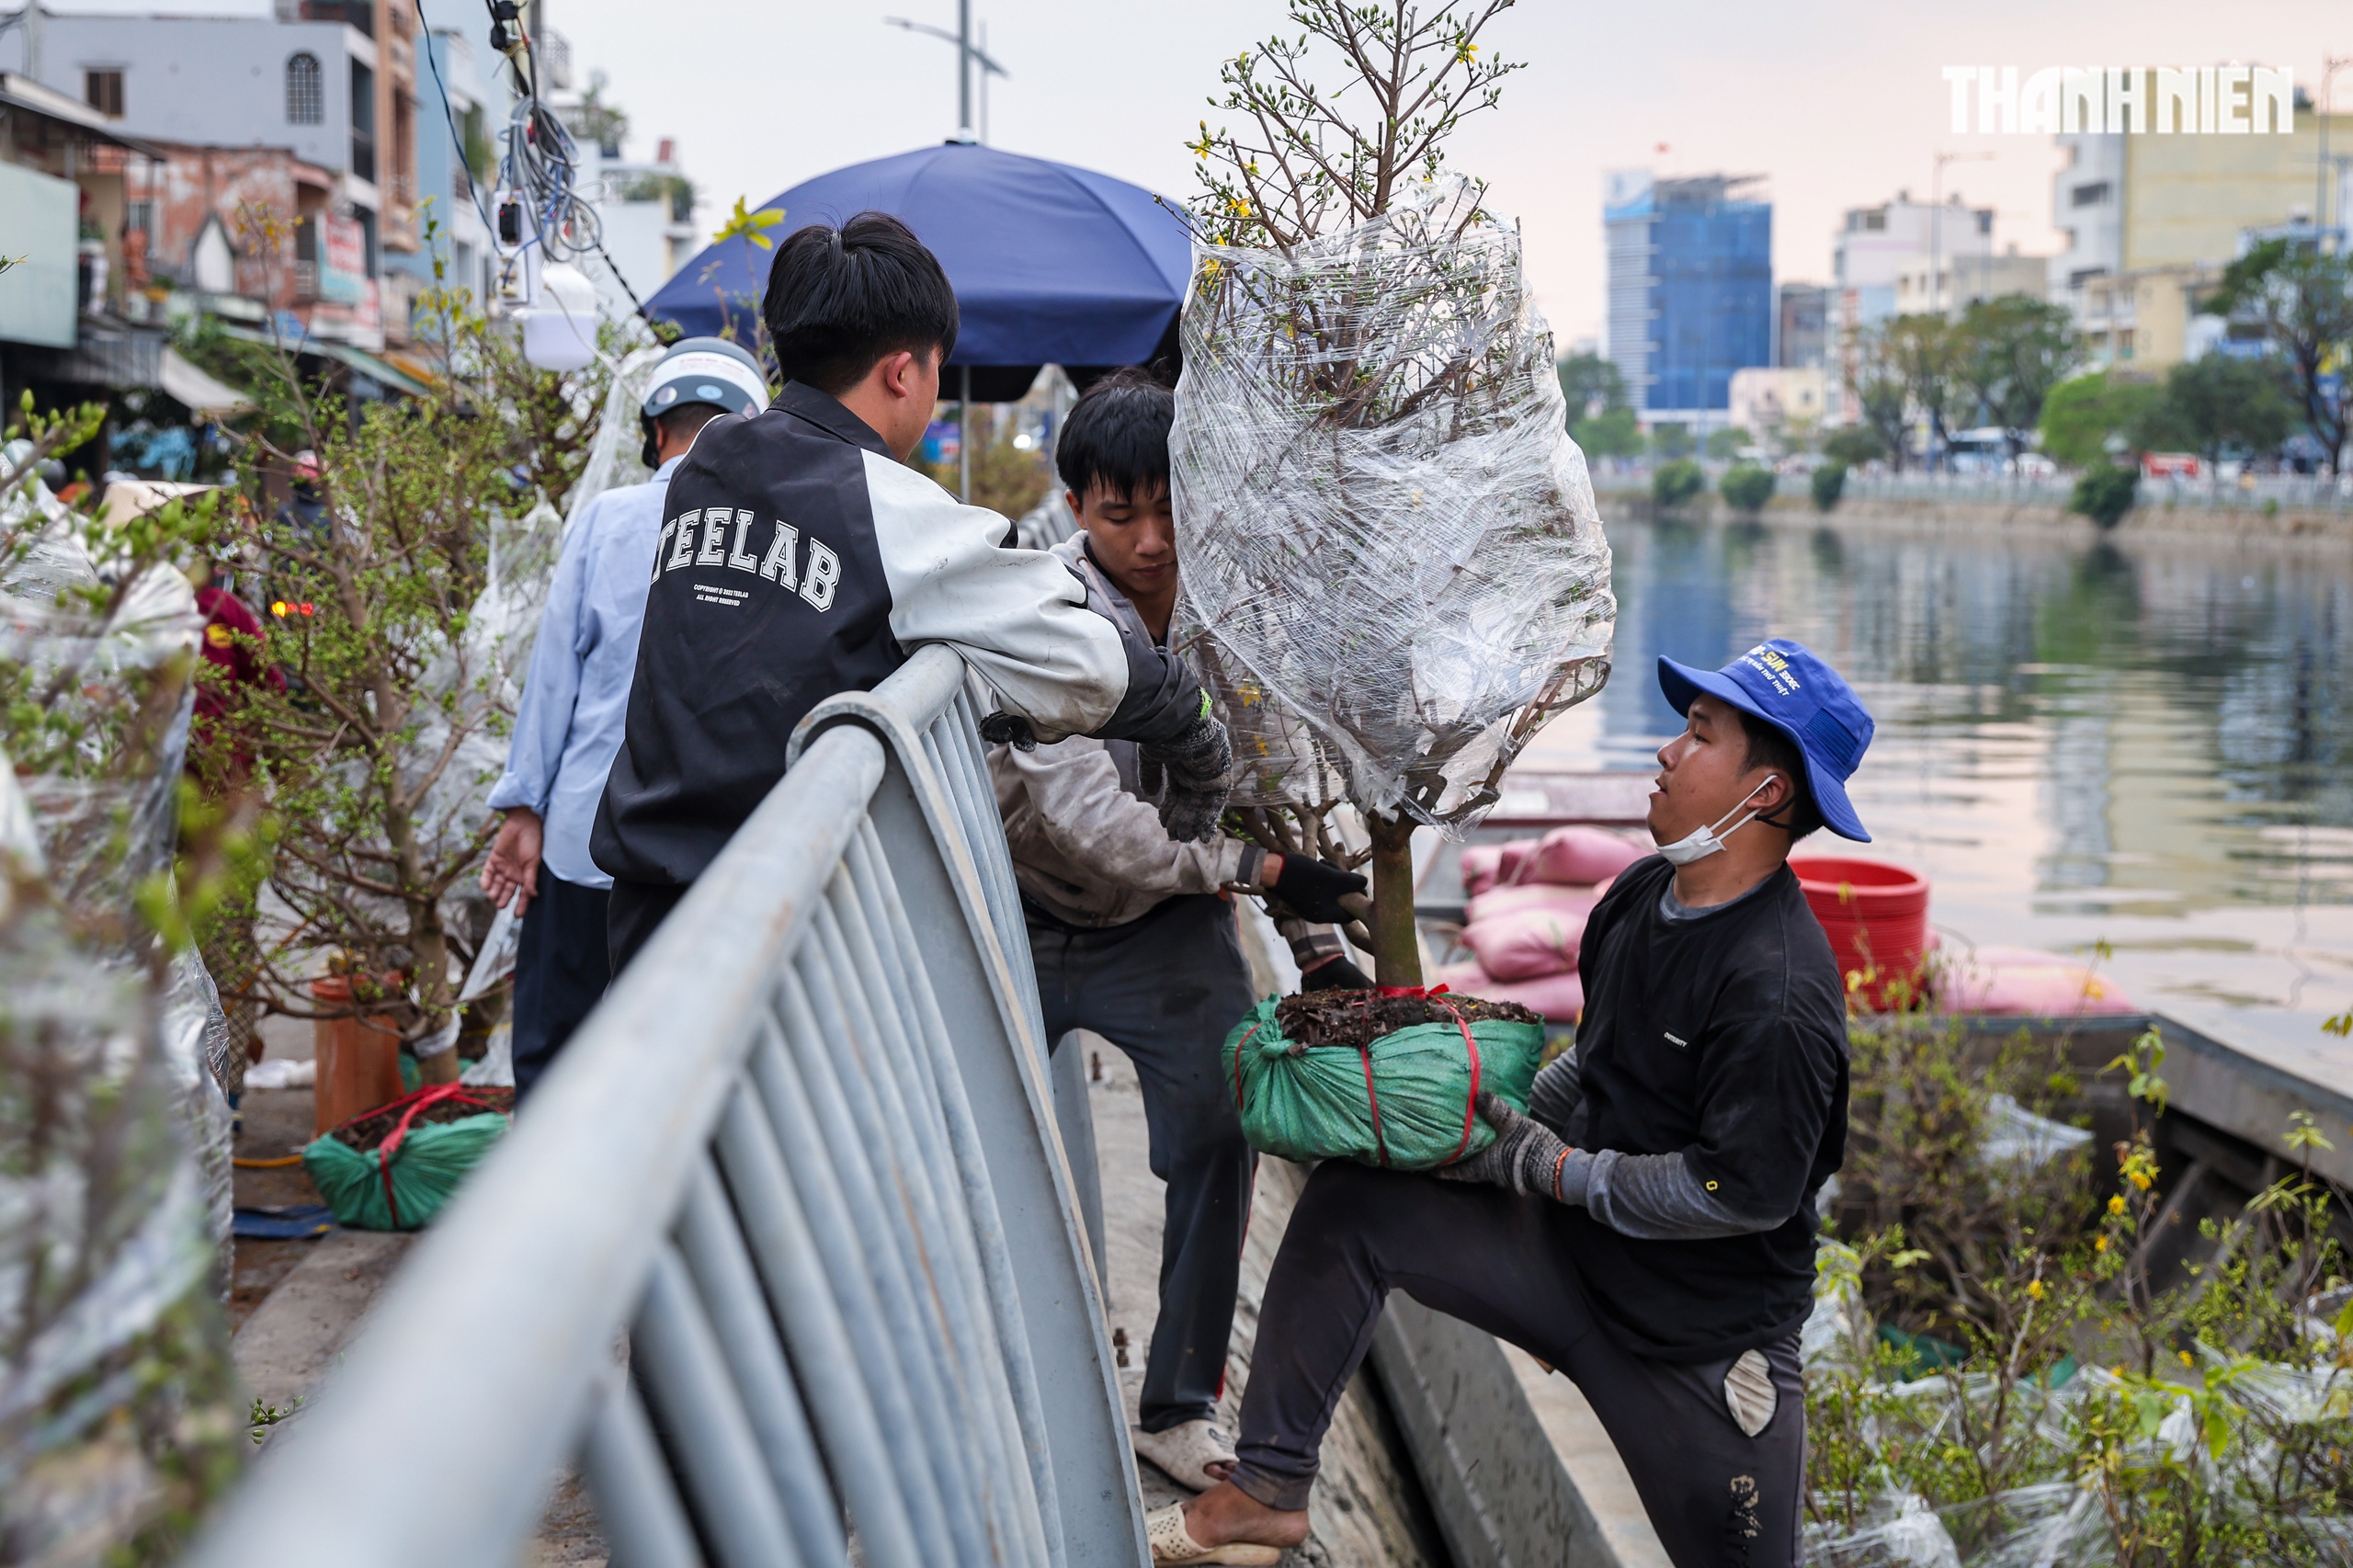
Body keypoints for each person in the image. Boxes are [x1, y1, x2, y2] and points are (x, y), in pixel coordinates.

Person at [1152, 639, 1874, 1568]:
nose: (1665, 750)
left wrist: (1556, 1168)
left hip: (1695, 1344)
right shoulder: (1643, 892)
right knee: (1354, 1205)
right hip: (1568, 1262)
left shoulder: (1776, 994)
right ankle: (1266, 1487)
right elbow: (1599, 1062)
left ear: (1766, 794)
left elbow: (1739, 1194)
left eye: (1697, 734)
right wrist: (1484, 1119)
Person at [591, 213, 1233, 976]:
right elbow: (1086, 657)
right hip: (791, 916)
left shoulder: (708, 464)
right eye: (935, 370)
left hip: (645, 900)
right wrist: (1193, 730)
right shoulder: (885, 503)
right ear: (905, 373)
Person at [990, 370, 1370, 1492]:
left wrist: (1316, 946)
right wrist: (1250, 867)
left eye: (1170, 509)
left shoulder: (1228, 617)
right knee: (963, 1140)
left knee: (1218, 1124)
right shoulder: (1039, 617)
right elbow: (1094, 827)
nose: (1151, 542)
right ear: (1074, 508)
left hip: (1158, 930)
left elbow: (1271, 783)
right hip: (1014, 909)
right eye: (1120, 515)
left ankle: (1178, 1401)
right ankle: (985, 1380)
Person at [481, 338, 769, 1096]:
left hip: (585, 833)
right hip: (712, 849)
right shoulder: (769, 536)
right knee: (685, 1063)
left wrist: (522, 805)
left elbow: (553, 676)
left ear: (654, 431)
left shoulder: (608, 519)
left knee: (556, 1055)